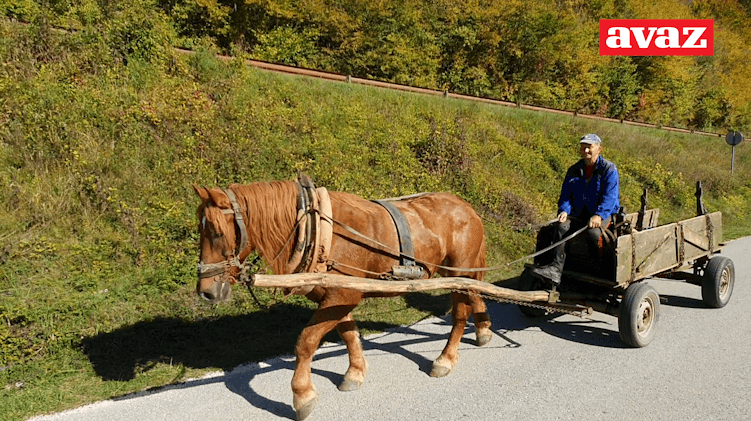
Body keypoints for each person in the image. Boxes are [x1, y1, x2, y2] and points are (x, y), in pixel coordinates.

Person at [530, 133, 620, 287]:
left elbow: (610, 197)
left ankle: (598, 269)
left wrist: (599, 215)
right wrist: (564, 211)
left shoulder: (608, 170)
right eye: (583, 147)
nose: (586, 151)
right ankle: (556, 270)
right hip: (578, 213)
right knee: (561, 227)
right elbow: (566, 195)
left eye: (589, 147)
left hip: (602, 213)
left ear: (599, 149)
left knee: (594, 233)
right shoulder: (574, 170)